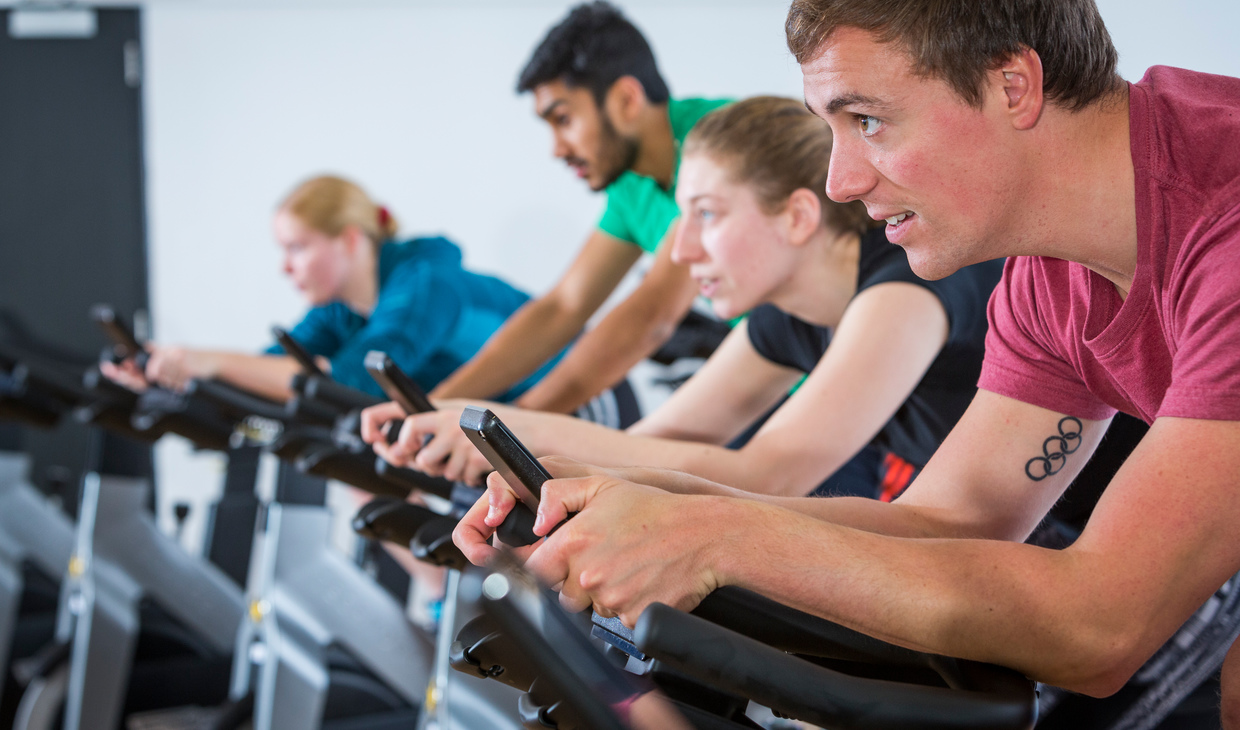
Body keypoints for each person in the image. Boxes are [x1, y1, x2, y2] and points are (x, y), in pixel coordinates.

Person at [453, 1, 1240, 728]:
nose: (840, 181)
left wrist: (717, 539)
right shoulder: (1047, 275)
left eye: (868, 120)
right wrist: (646, 503)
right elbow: (949, 521)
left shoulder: (1224, 220)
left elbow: (1099, 627)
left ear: (1013, 85)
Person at [361, 96, 1002, 503]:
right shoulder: (790, 317)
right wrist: (519, 461)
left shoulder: (906, 287)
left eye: (707, 215)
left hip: (1075, 543)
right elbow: (665, 437)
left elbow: (768, 475)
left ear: (799, 217)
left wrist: (513, 425)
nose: (682, 251)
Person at [427, 2, 730, 424]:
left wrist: (514, 426)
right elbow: (564, 307)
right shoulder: (631, 185)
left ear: (627, 99)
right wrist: (433, 407)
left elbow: (652, 315)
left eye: (564, 119)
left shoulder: (719, 140)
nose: (556, 149)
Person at [103, 174, 561, 402]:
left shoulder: (424, 285)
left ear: (349, 241)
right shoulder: (339, 312)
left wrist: (211, 361)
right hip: (503, 421)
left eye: (297, 247)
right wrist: (174, 376)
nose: (286, 267)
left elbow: (352, 384)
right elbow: (270, 375)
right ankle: (446, 591)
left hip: (575, 399)